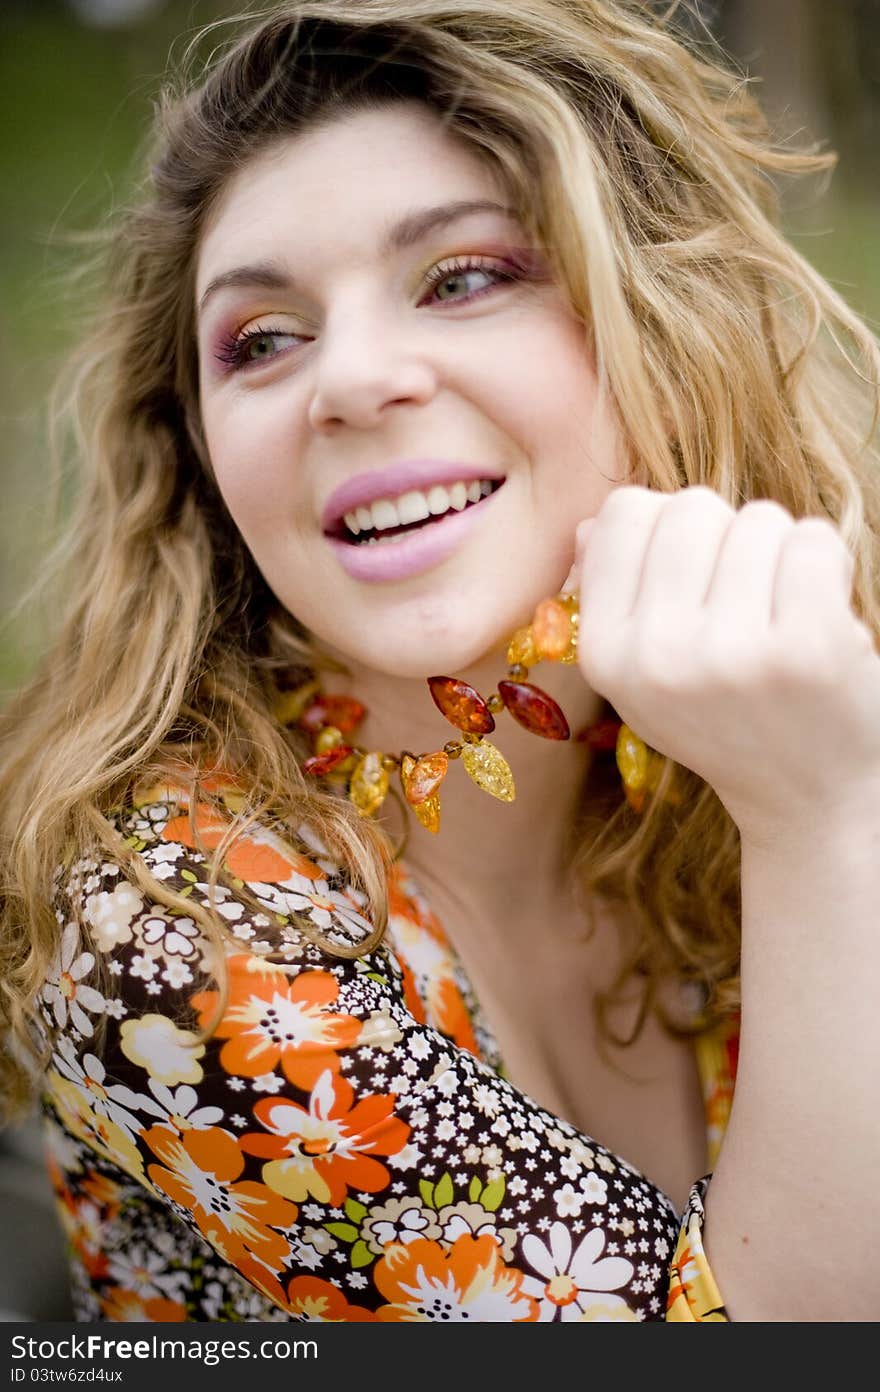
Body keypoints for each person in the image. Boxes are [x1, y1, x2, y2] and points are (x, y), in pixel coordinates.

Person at [1, 0, 879, 1324]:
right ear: (202, 455)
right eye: (263, 339)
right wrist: (821, 819)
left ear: (667, 319)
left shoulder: (757, 718)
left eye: (464, 276)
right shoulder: (172, 933)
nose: (346, 381)